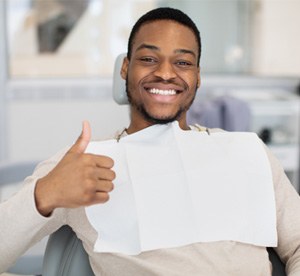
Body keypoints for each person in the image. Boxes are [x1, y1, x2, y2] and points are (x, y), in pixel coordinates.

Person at [1, 7, 300, 275]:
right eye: (148, 59)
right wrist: (45, 194)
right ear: (125, 69)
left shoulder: (248, 152)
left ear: (198, 76)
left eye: (182, 63)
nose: (166, 73)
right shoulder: (86, 163)